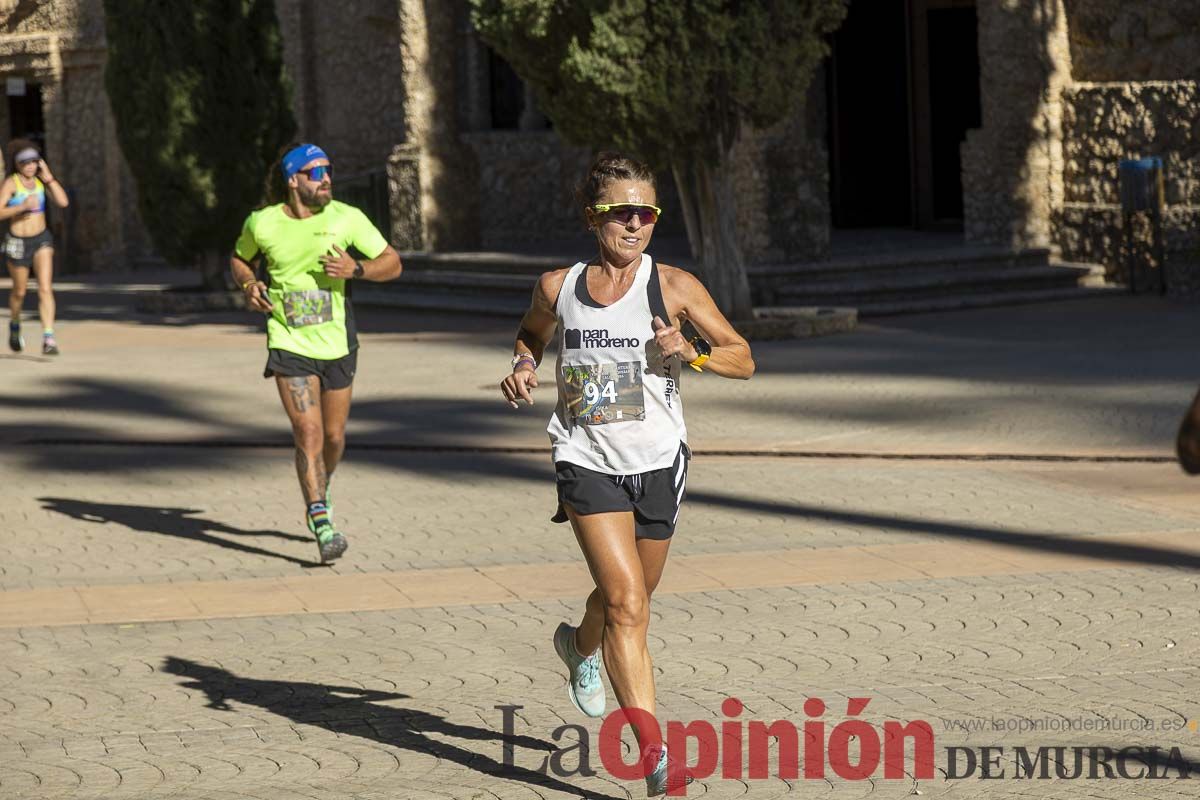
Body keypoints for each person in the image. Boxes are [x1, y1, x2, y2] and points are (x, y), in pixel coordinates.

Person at [499, 152, 755, 795]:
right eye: (622, 212)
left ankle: (578, 647)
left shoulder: (674, 287)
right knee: (627, 603)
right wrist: (525, 366)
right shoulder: (559, 287)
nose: (636, 224)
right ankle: (656, 759)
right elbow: (530, 334)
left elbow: (743, 359)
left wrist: (691, 354)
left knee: (628, 599)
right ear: (594, 218)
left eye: (648, 212)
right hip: (585, 457)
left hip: (659, 461)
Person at [230, 143, 401, 562]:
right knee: (308, 432)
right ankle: (320, 518)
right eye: (315, 173)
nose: (326, 179)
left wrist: (356, 269)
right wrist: (249, 286)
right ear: (293, 181)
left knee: (334, 436)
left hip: (338, 341)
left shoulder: (347, 218)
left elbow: (392, 262)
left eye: (328, 171)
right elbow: (239, 259)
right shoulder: (263, 223)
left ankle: (320, 486)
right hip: (288, 340)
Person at [2, 140, 69, 355]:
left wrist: (49, 179)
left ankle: (48, 337)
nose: (30, 166)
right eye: (25, 163)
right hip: (18, 242)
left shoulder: (41, 181)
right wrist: (20, 207)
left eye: (33, 161)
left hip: (41, 240)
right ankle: (14, 323)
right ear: (17, 164)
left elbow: (63, 202)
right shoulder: (11, 183)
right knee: (19, 292)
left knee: (45, 288)